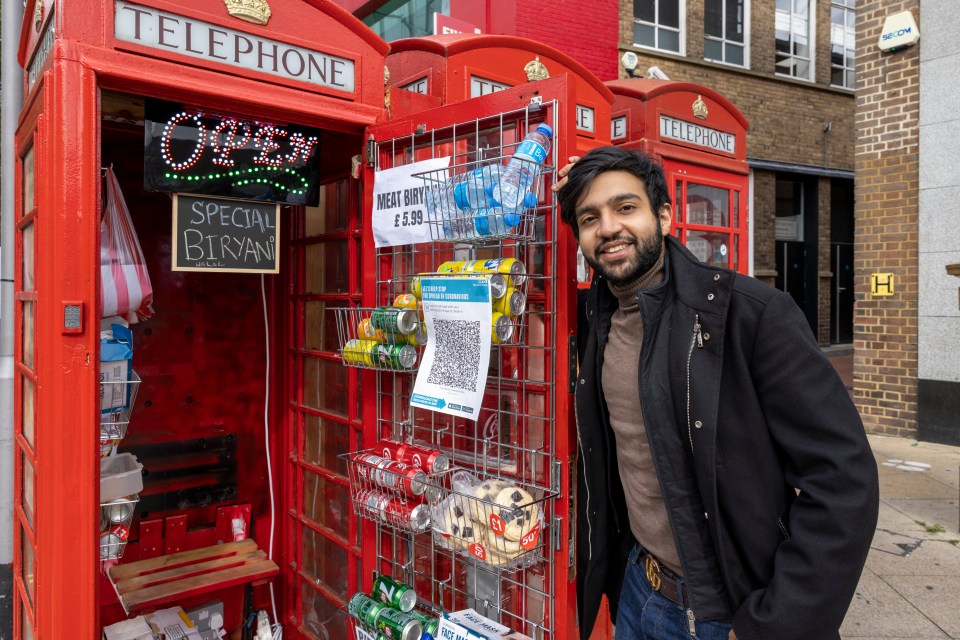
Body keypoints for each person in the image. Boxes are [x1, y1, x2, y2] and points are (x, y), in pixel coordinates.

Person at [554, 147, 879, 640]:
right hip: (638, 592)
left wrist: (776, 624)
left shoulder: (751, 315)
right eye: (589, 217)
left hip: (729, 611)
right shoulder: (596, 320)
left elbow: (842, 480)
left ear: (663, 216)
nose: (608, 228)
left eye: (625, 208)